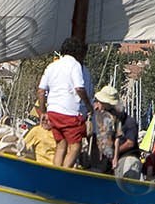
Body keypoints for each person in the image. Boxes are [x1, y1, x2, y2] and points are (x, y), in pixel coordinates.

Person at [35, 37, 92, 168]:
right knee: (75, 146)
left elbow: (41, 91)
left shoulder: (52, 66)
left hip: (53, 112)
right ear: (78, 52)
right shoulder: (75, 65)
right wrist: (88, 105)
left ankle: (56, 171)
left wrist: (43, 112)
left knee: (61, 145)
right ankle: (64, 172)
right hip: (69, 113)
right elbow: (79, 88)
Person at [87, 85, 138, 175]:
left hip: (125, 156)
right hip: (105, 155)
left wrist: (114, 154)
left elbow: (129, 143)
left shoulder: (130, 122)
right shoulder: (101, 116)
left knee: (128, 165)